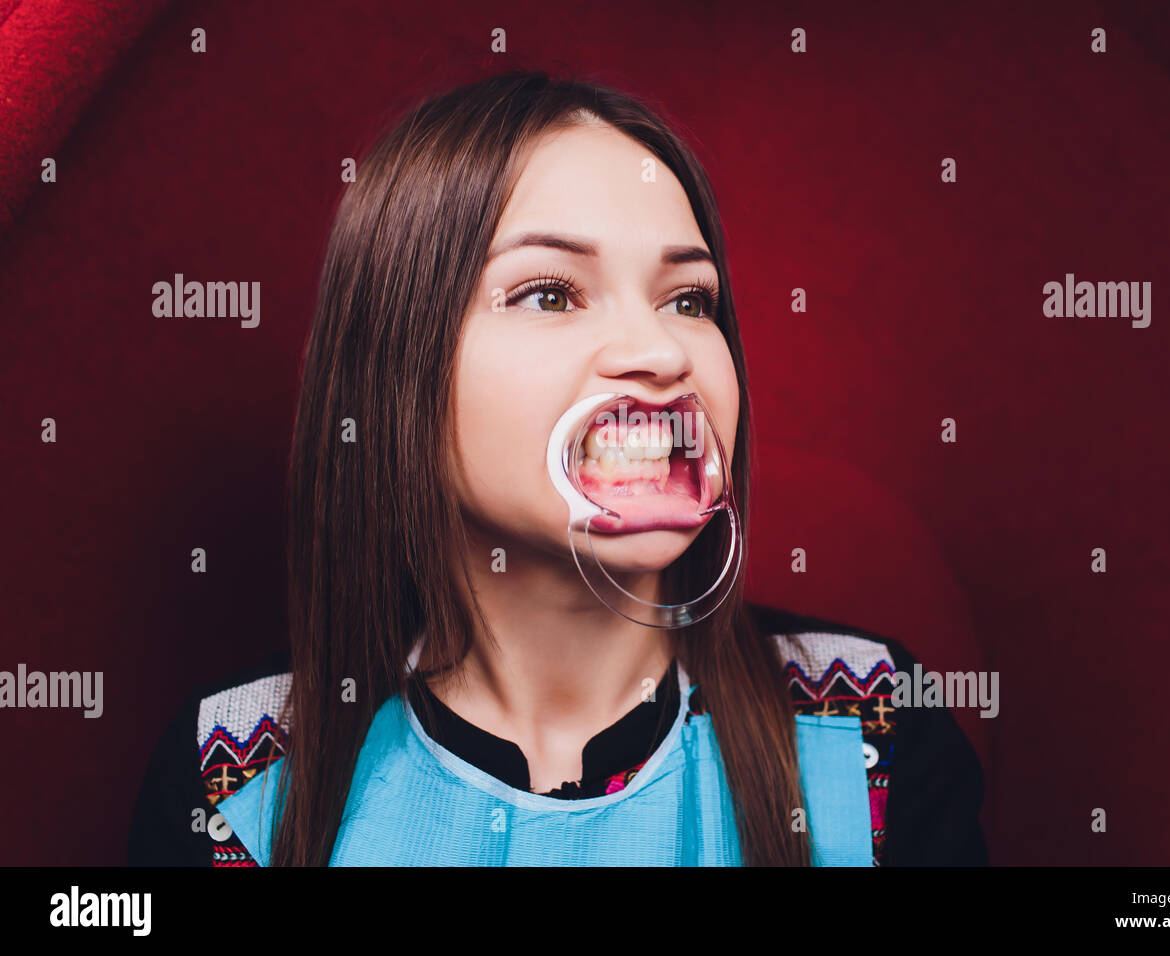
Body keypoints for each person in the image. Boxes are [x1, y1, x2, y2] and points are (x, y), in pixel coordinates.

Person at [126, 70, 988, 867]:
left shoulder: (872, 721)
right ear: (394, 373)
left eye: (689, 300)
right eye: (550, 293)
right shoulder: (232, 771)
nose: (658, 351)